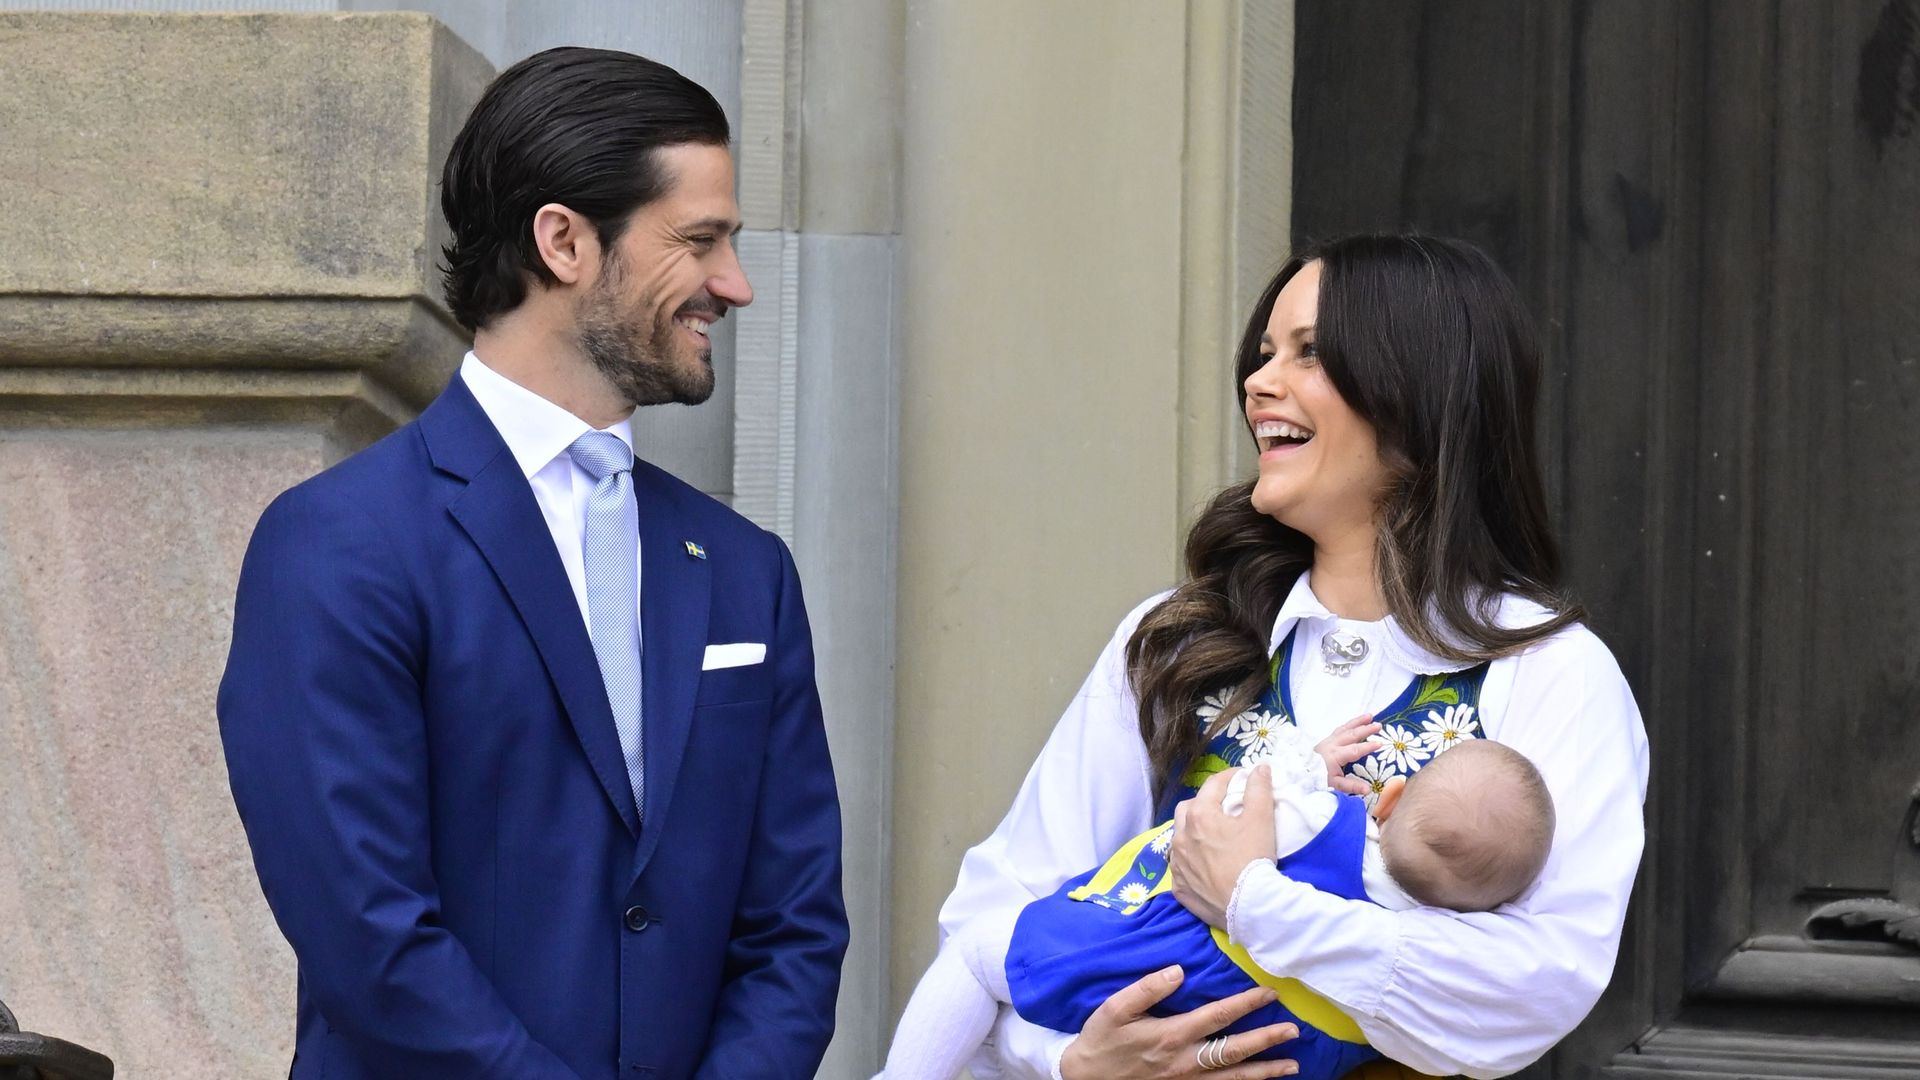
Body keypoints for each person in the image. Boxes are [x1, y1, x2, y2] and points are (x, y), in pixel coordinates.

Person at [217, 47, 847, 1080]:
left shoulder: (746, 571)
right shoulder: (339, 544)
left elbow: (793, 928)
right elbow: (369, 937)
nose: (732, 285)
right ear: (564, 240)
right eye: (700, 240)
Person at [930, 234, 1649, 1080]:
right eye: (1265, 353)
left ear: (1418, 392)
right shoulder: (1172, 641)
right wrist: (1072, 1063)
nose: (1258, 382)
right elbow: (995, 919)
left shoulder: (1553, 673)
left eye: (1309, 354)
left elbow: (1530, 988)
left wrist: (1255, 904)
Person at [880, 716, 1555, 1080]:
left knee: (977, 956)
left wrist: (1311, 769)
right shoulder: (1428, 960)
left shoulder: (1325, 823)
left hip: (1160, 965)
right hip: (1271, 1046)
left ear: (1393, 797)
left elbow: (1240, 802)